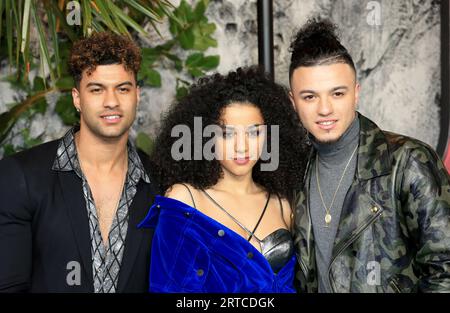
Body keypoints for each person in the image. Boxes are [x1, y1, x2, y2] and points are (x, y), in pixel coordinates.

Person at [289, 18, 450, 293]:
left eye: (337, 93)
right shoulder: (294, 169)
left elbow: (445, 271)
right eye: (310, 97)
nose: (325, 109)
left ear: (356, 94)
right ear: (293, 101)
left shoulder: (407, 161)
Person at [0, 32, 159, 292]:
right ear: (77, 98)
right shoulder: (21, 177)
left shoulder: (162, 184)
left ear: (137, 95)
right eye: (97, 89)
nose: (111, 102)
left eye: (123, 89)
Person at [138, 66, 309, 292]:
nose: (242, 146)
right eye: (227, 134)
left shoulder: (282, 203)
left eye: (254, 132)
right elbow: (167, 288)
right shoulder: (186, 199)